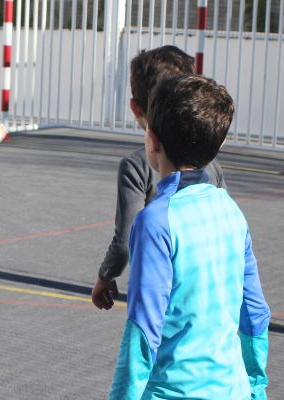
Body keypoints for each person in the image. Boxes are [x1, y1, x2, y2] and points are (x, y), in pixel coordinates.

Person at [107, 74, 271, 399]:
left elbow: (143, 330)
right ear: (219, 144)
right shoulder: (231, 211)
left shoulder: (156, 221)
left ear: (152, 140)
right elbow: (255, 312)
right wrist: (255, 387)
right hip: (233, 390)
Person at [91, 46, 226, 310]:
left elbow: (125, 241)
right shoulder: (211, 165)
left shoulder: (136, 165)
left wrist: (105, 276)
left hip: (157, 299)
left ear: (134, 107)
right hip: (209, 298)